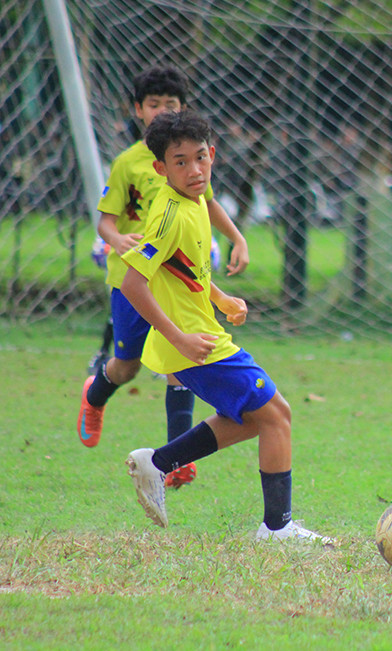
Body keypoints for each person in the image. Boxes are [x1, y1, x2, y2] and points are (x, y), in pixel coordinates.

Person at [120, 109, 331, 544]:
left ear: (212, 154)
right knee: (277, 416)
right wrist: (178, 336)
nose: (194, 170)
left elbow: (183, 270)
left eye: (200, 157)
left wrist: (219, 297)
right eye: (180, 162)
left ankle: (157, 463)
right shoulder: (170, 214)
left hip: (200, 333)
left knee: (255, 419)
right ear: (161, 168)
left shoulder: (195, 201)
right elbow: (132, 283)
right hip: (195, 343)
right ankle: (277, 529)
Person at [77, 66, 250, 491]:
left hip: (179, 282)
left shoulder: (191, 161)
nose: (160, 111)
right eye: (153, 104)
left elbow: (209, 203)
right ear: (138, 110)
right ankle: (94, 394)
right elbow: (106, 224)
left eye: (169, 105)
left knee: (183, 359)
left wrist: (237, 238)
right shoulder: (129, 164)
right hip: (132, 280)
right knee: (127, 367)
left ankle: (176, 458)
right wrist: (118, 240)